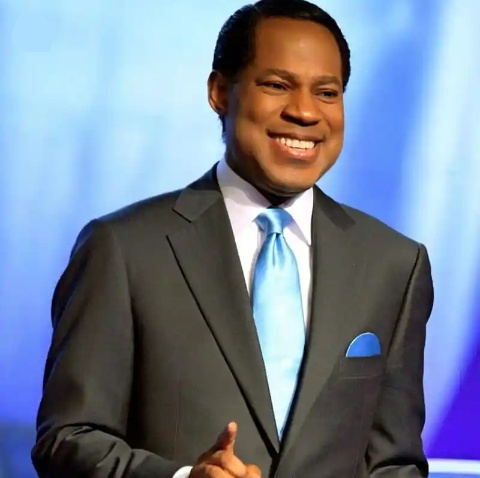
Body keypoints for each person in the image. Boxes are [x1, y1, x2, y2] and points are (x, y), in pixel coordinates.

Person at [31, 1, 434, 477]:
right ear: (220, 91)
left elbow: (394, 463)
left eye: (327, 92)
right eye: (277, 85)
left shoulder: (393, 264)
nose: (305, 112)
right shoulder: (123, 249)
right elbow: (68, 439)